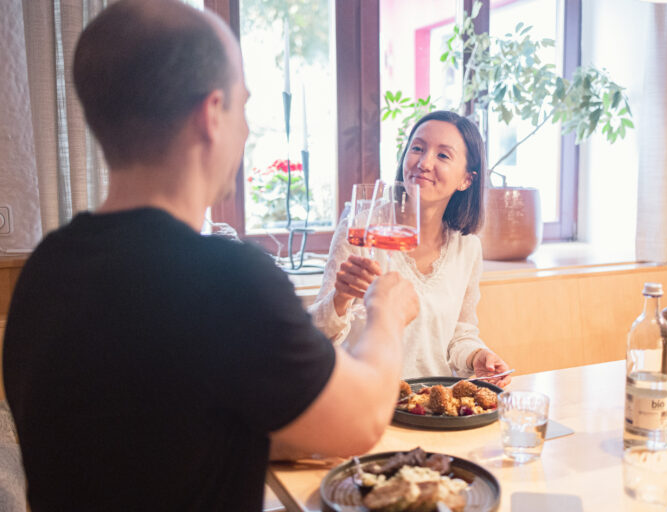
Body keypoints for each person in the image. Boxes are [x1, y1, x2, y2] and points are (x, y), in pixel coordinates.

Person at [2, 1, 419, 510]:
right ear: (210, 115)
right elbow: (363, 420)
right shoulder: (225, 279)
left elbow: (167, 425)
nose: (244, 131)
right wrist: (386, 314)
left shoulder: (44, 270)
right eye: (242, 107)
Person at [309, 111, 512, 386]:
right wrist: (341, 298)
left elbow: (460, 333)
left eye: (443, 155)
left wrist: (477, 355)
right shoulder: (360, 230)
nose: (424, 162)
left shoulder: (467, 248)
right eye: (417, 148)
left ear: (467, 179)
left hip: (431, 405)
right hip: (361, 399)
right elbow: (316, 335)